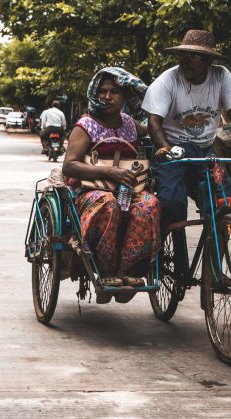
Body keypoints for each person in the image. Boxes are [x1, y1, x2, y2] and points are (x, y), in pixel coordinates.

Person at [62, 67, 161, 304]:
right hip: (90, 191)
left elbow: (155, 127)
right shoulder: (85, 125)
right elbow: (70, 166)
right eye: (102, 91)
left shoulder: (129, 123)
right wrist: (109, 172)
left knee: (149, 204)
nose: (107, 97)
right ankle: (104, 271)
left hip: (128, 190)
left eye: (114, 92)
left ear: (125, 96)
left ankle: (129, 273)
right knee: (107, 205)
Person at [142, 29, 231, 228]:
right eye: (182, 55)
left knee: (224, 205)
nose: (185, 61)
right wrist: (165, 146)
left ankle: (216, 247)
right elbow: (154, 122)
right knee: (170, 203)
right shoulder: (167, 81)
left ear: (208, 60)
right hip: (173, 151)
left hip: (206, 150)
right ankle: (163, 246)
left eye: (193, 56)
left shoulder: (221, 76)